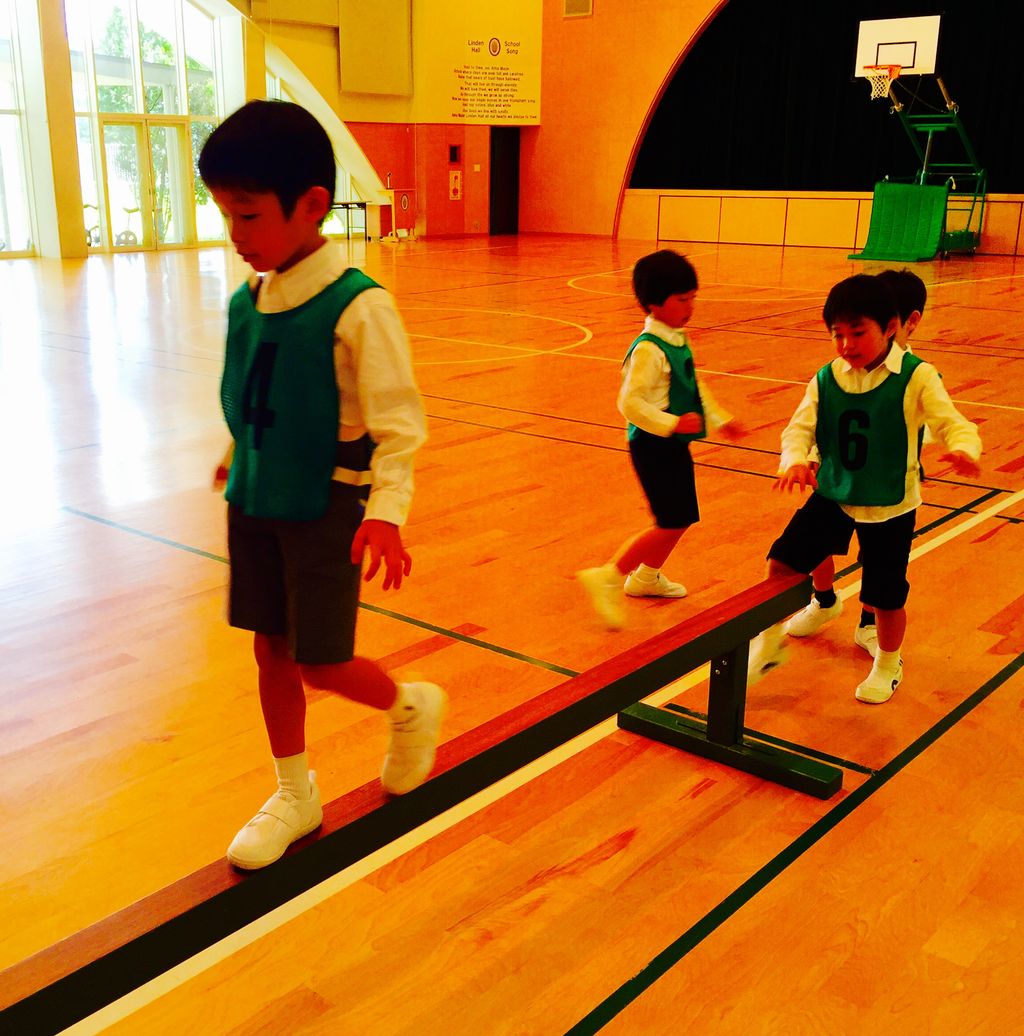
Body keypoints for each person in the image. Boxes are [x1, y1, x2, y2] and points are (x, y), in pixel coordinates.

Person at [199, 100, 445, 869]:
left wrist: (387, 512)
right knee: (270, 650)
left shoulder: (358, 307)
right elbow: (258, 396)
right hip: (255, 500)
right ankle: (294, 793)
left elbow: (399, 424)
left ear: (310, 205)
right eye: (225, 215)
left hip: (324, 506)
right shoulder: (248, 301)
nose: (235, 234)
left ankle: (409, 707)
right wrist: (240, 451)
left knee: (321, 661)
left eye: (247, 215)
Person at [747, 273, 980, 704]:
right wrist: (795, 459)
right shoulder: (826, 378)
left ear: (890, 327)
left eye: (857, 333)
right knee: (781, 563)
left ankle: (889, 664)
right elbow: (799, 428)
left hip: (890, 504)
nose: (846, 345)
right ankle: (771, 640)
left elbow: (952, 423)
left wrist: (964, 448)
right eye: (837, 334)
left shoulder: (917, 376)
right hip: (835, 494)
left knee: (886, 597)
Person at [577, 249, 742, 630]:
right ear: (654, 303)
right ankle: (609, 575)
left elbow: (694, 385)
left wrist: (720, 419)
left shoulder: (677, 340)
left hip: (671, 444)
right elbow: (629, 403)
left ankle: (646, 577)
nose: (690, 307)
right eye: (682, 299)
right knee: (670, 521)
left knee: (681, 518)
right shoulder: (649, 349)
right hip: (652, 446)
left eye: (693, 298)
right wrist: (671, 424)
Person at [784, 268, 928, 656]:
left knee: (878, 564)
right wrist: (811, 458)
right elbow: (824, 422)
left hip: (884, 490)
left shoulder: (914, 378)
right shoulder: (841, 373)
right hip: (840, 480)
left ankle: (869, 623)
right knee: (814, 540)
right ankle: (824, 599)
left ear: (906, 322)